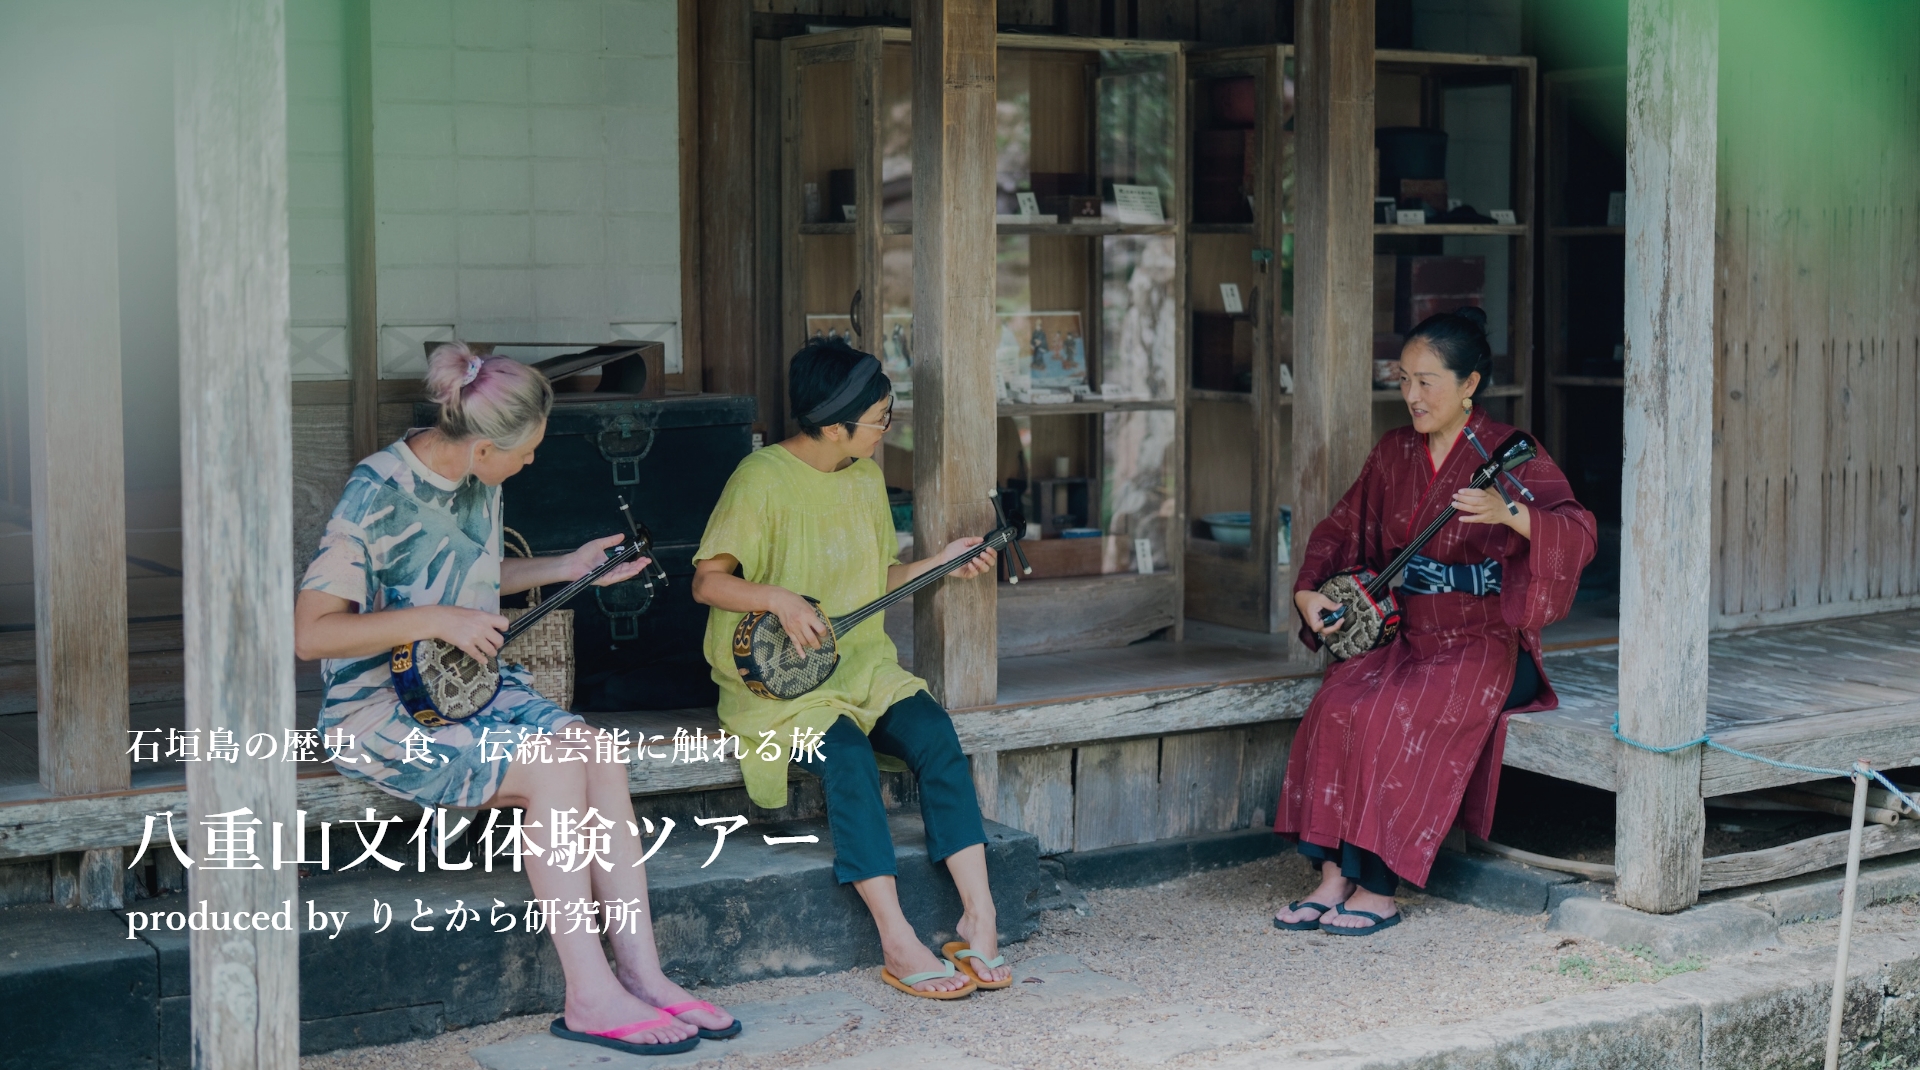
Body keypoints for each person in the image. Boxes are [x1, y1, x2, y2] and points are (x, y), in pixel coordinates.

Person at [293, 342, 737, 1056]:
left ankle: (644, 973)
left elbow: (468, 579)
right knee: (553, 766)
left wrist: (570, 570)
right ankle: (589, 995)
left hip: (467, 689)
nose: (530, 462)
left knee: (596, 750)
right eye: (525, 451)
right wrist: (437, 620)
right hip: (380, 711)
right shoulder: (376, 490)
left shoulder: (480, 478)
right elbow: (312, 634)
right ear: (482, 448)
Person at [690, 338, 1012, 999]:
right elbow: (706, 583)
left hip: (859, 664)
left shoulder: (864, 476)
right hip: (776, 683)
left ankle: (979, 914)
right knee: (846, 757)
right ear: (834, 425)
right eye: (880, 420)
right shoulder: (759, 482)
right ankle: (895, 935)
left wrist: (944, 560)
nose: (887, 428)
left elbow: (876, 581)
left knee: (936, 737)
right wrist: (776, 596)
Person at [1273, 307, 1596, 936]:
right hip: (1409, 634)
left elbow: (1578, 533)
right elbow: (1343, 528)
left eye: (1428, 382)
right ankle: (1334, 877)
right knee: (1338, 701)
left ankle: (1379, 887)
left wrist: (1510, 515)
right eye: (1404, 380)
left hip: (1483, 643)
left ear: (1470, 384)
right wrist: (1308, 591)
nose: (1412, 396)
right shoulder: (1396, 451)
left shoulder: (1509, 454)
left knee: (1391, 713)